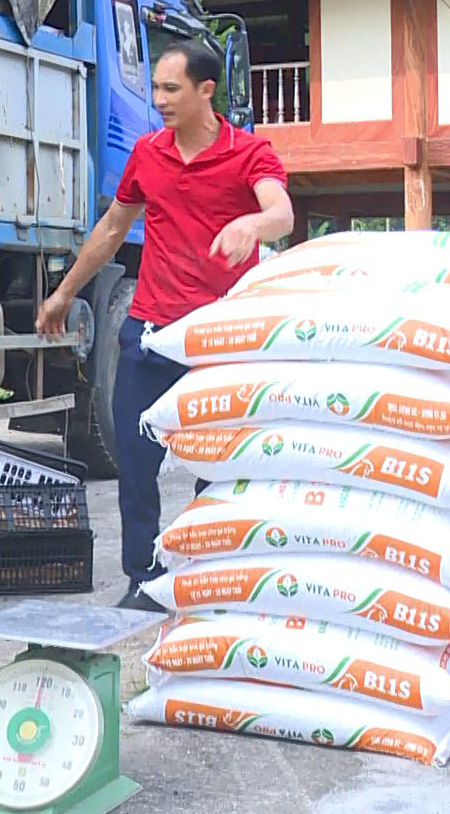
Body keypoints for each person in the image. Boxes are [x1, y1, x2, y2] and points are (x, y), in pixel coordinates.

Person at [35, 41, 294, 611]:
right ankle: (144, 578)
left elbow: (281, 212)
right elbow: (111, 229)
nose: (158, 100)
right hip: (150, 330)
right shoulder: (148, 153)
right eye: (154, 88)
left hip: (222, 340)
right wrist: (64, 293)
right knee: (134, 456)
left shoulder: (249, 153)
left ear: (206, 90)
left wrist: (251, 225)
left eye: (170, 89)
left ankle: (209, 572)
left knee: (218, 464)